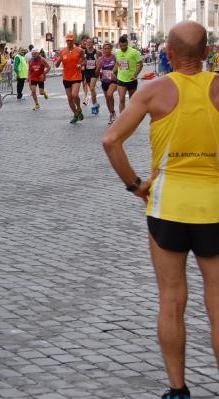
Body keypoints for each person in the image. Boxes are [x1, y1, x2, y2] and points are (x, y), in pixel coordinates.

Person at [102, 21, 219, 399]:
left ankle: (178, 389)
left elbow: (111, 140)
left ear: (167, 53)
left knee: (171, 300)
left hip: (167, 205)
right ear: (206, 54)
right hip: (214, 208)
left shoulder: (153, 92)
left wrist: (135, 185)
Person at [55, 34, 86, 123]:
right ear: (66, 41)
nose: (69, 42)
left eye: (71, 40)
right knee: (69, 98)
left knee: (75, 95)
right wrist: (59, 60)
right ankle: (76, 114)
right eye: (68, 40)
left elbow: (85, 61)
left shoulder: (79, 50)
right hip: (66, 77)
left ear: (73, 41)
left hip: (76, 76)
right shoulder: (62, 51)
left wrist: (80, 64)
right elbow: (57, 65)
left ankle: (79, 108)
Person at [114, 34, 143, 113]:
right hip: (121, 79)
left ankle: (130, 116)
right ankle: (122, 119)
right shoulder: (117, 53)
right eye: (121, 46)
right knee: (122, 99)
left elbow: (140, 64)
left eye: (124, 46)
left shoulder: (134, 52)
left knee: (132, 100)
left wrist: (135, 75)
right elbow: (117, 63)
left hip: (131, 79)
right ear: (119, 45)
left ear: (127, 44)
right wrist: (113, 72)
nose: (123, 47)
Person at [95, 42, 118, 125]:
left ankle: (113, 113)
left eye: (108, 48)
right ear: (102, 50)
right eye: (104, 48)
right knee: (107, 98)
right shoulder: (100, 59)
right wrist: (98, 67)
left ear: (111, 49)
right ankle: (112, 113)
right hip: (104, 80)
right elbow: (96, 73)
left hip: (113, 80)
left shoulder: (114, 57)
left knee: (109, 94)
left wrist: (114, 72)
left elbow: (119, 66)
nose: (106, 50)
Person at [83, 38, 101, 114]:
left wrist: (98, 69)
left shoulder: (97, 52)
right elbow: (81, 62)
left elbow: (101, 61)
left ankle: (94, 106)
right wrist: (82, 64)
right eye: (87, 43)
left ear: (93, 44)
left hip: (94, 72)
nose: (89, 44)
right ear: (85, 44)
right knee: (92, 90)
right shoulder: (83, 52)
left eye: (90, 42)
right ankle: (96, 104)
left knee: (92, 88)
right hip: (87, 72)